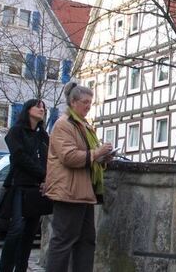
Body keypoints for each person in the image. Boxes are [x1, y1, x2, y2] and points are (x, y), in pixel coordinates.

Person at [45, 82, 114, 272]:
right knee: (63, 241)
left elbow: (88, 154)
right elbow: (68, 156)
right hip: (69, 191)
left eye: (91, 102)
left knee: (86, 240)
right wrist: (96, 153)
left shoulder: (83, 125)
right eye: (85, 102)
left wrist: (102, 157)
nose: (88, 106)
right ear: (73, 102)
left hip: (84, 191)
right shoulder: (64, 125)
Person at [0, 99, 49, 272]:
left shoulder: (43, 135)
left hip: (36, 188)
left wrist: (46, 178)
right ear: (28, 110)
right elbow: (19, 157)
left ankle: (21, 268)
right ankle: (5, 268)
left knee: (29, 233)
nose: (41, 110)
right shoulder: (16, 131)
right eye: (38, 106)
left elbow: (49, 159)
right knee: (16, 230)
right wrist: (43, 174)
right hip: (20, 185)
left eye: (43, 108)